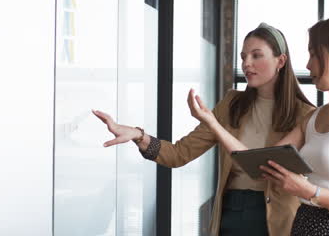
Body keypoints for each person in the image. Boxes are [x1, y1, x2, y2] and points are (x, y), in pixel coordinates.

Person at [92, 23, 315, 236]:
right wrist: (139, 135)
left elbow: (264, 169)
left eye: (256, 55)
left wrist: (214, 124)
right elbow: (179, 154)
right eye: (243, 57)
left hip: (281, 221)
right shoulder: (231, 103)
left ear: (281, 61)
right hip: (232, 212)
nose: (247, 63)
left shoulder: (305, 115)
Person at [188, 17, 329, 236]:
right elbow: (259, 164)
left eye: (313, 54)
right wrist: (212, 123)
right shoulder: (314, 117)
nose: (309, 65)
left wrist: (308, 190)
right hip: (303, 226)